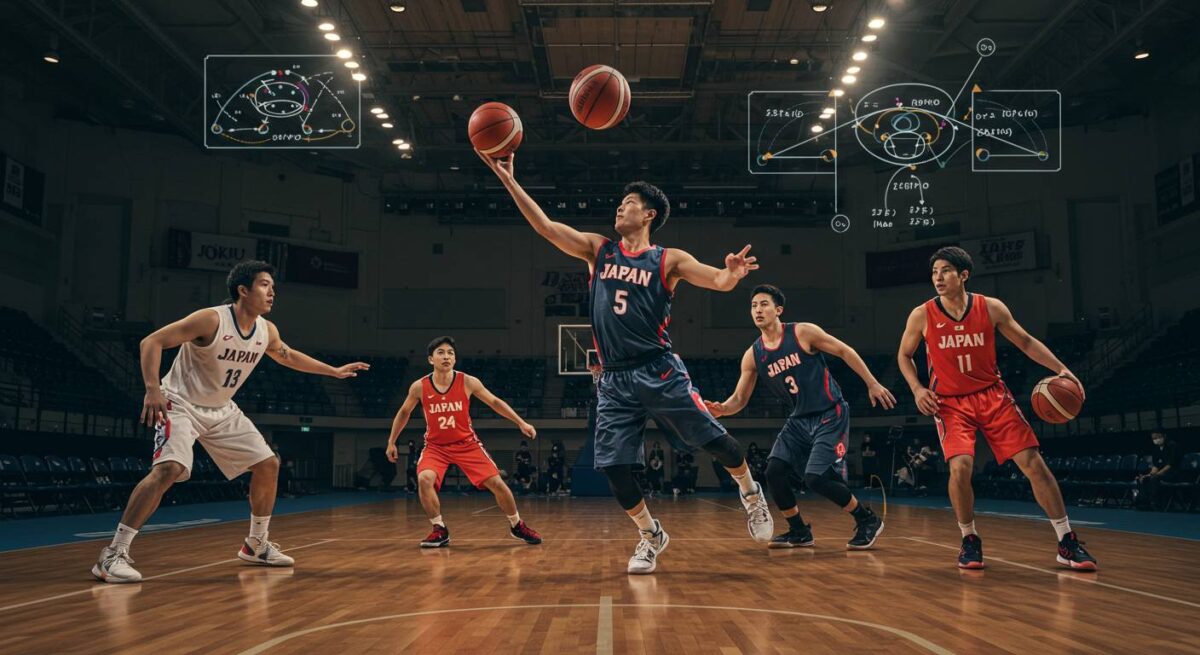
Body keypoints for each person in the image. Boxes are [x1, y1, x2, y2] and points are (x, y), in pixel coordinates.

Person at [479, 150, 772, 575]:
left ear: (649, 214)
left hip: (659, 369)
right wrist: (508, 179)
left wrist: (732, 273)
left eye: (629, 203)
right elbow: (544, 227)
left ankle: (750, 493)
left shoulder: (668, 259)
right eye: (620, 203)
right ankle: (651, 535)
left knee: (713, 441)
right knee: (614, 469)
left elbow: (719, 281)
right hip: (613, 379)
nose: (620, 207)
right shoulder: (599, 250)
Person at [92, 260, 369, 583]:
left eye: (273, 287)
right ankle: (113, 554)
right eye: (265, 285)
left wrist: (333, 372)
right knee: (169, 470)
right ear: (243, 290)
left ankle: (255, 544)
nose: (272, 293)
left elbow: (287, 355)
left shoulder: (267, 330)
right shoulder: (210, 320)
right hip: (179, 403)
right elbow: (150, 342)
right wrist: (152, 388)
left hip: (221, 409)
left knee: (268, 464)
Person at [897, 246, 1097, 570]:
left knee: (1033, 463)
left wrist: (1062, 370)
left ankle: (1066, 540)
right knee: (960, 468)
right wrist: (917, 388)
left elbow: (1027, 342)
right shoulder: (922, 314)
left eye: (946, 270)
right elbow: (904, 355)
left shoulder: (990, 308)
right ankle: (969, 540)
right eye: (934, 272)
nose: (938, 277)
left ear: (963, 275)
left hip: (993, 395)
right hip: (950, 403)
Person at [706, 284, 893, 549]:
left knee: (815, 477)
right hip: (798, 420)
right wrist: (722, 409)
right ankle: (799, 530)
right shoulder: (753, 355)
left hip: (830, 412)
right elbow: (740, 399)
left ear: (778, 309)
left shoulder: (803, 332)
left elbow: (844, 351)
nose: (757, 310)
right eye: (753, 306)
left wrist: (872, 383)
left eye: (763, 304)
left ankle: (866, 519)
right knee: (774, 471)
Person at [385, 336, 542, 547]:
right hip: (436, 447)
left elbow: (495, 401)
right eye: (440, 352)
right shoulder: (419, 387)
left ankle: (517, 525)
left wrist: (521, 423)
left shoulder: (467, 381)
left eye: (450, 352)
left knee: (497, 483)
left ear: (455, 359)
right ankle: (439, 529)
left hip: (467, 444)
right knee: (424, 479)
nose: (446, 356)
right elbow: (404, 412)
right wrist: (391, 441)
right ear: (431, 359)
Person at [1136, 429, 1179, 510]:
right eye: (1154, 438)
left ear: (1164, 436)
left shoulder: (1172, 445)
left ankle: (1155, 502)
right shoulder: (1156, 449)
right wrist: (1149, 475)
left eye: (1158, 437)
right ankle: (1144, 502)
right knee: (1143, 478)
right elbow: (1155, 466)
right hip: (1159, 474)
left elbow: (1170, 464)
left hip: (1172, 473)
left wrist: (1156, 475)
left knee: (1154, 479)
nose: (1156, 440)